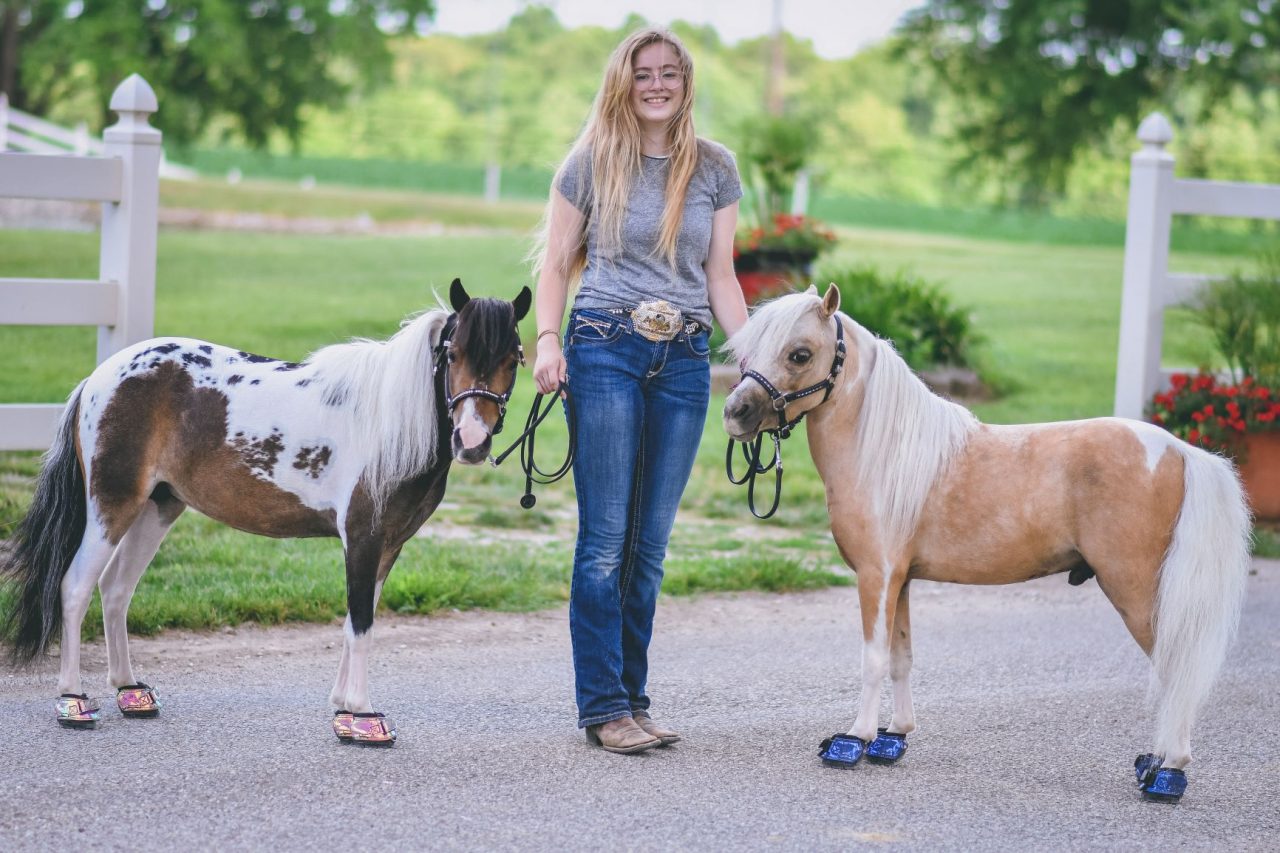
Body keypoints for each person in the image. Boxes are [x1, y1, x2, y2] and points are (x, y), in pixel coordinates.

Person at [531, 27, 748, 754]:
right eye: (643, 73)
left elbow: (720, 275)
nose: (657, 84)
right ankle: (604, 706)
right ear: (623, 82)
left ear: (686, 83)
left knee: (648, 546)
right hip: (604, 349)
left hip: (684, 357)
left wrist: (749, 357)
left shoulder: (716, 168)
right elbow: (556, 265)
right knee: (604, 540)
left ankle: (634, 698)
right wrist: (549, 342)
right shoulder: (591, 161)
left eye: (670, 73)